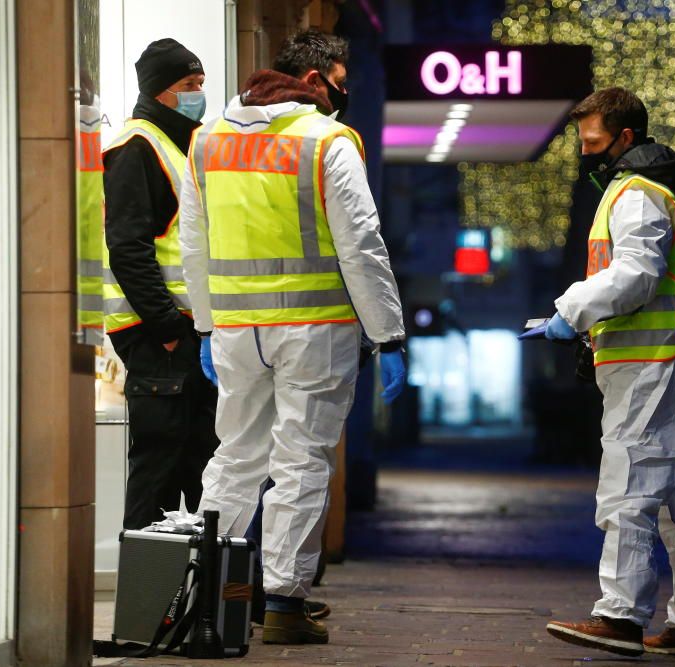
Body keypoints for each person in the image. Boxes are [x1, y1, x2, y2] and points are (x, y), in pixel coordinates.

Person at [179, 30, 406, 646]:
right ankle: (282, 600)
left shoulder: (207, 141)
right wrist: (387, 334)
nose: (342, 95)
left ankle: (206, 591)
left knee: (235, 454)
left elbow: (192, 246)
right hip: (314, 328)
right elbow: (360, 245)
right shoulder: (326, 141)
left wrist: (205, 322)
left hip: (235, 331)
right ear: (311, 81)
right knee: (301, 460)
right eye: (339, 81)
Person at [543, 88, 675, 658]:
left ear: (625, 138)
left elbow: (636, 275)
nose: (585, 152)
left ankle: (620, 615)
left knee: (629, 487)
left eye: (593, 142)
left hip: (657, 366)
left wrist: (568, 310)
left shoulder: (636, 193)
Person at [103, 38, 218, 531]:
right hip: (157, 334)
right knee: (158, 471)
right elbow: (128, 247)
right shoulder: (136, 147)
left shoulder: (175, 143)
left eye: (200, 85)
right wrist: (168, 326)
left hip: (180, 332)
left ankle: (192, 602)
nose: (198, 95)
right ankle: (147, 604)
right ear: (160, 91)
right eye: (189, 85)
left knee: (194, 465)